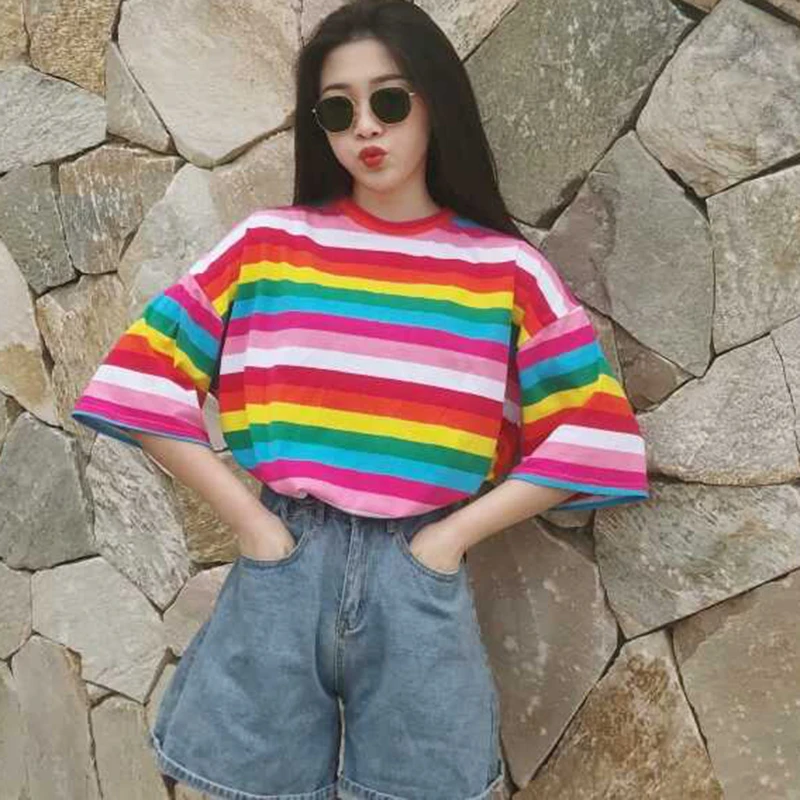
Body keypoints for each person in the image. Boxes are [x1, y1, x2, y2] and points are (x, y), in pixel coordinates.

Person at [71, 1, 650, 798]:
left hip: (419, 575)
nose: (366, 127)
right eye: (338, 110)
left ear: (435, 102)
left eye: (390, 100)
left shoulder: (506, 272)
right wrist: (255, 530)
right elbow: (140, 378)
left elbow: (594, 435)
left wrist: (447, 542)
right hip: (286, 557)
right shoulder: (269, 246)